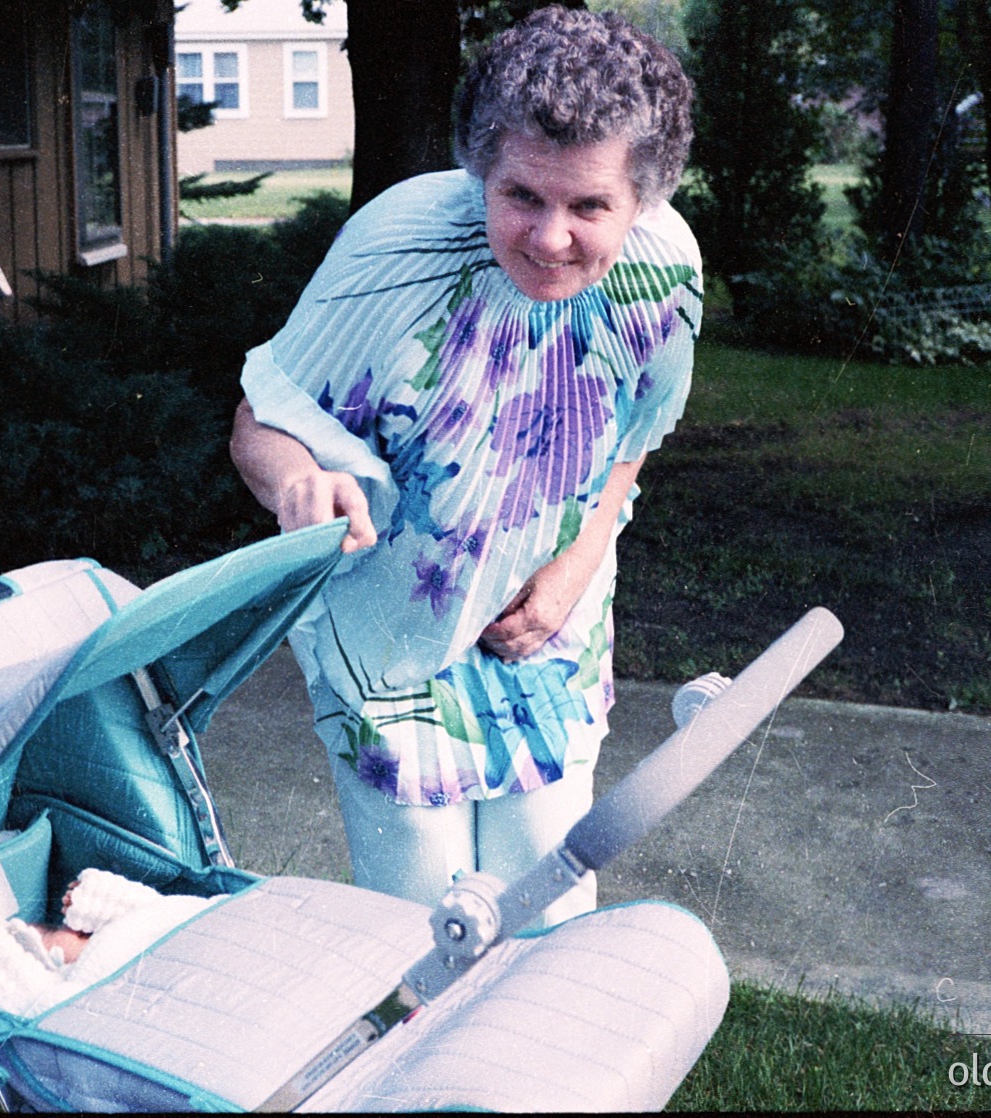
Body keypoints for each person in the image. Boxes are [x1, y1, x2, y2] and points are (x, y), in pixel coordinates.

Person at [229, 7, 699, 926]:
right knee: (419, 924)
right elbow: (260, 420)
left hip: (546, 624)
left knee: (549, 894)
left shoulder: (664, 275)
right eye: (522, 195)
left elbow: (633, 439)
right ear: (482, 166)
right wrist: (294, 482)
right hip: (386, 640)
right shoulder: (392, 250)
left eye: (590, 206)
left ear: (642, 201)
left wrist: (572, 570)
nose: (550, 237)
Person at [0, 869, 221, 1017]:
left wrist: (94, 894)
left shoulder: (120, 935)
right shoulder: (62, 979)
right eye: (51, 931)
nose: (68, 922)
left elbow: (157, 912)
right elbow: (27, 989)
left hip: (180, 938)